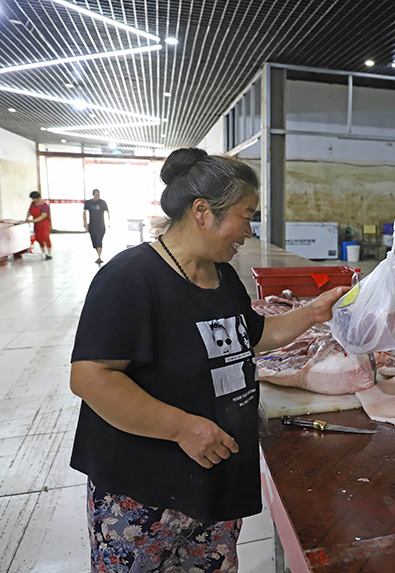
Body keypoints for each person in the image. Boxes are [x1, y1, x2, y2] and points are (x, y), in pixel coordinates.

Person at [69, 148, 347, 572]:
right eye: (246, 215)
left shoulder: (223, 277)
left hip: (214, 484)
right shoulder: (131, 277)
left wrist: (312, 313)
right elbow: (91, 377)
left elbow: (252, 338)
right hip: (145, 492)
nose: (249, 231)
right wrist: (181, 427)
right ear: (203, 211)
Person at [83, 188, 110, 264]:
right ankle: (98, 254)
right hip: (92, 225)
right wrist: (85, 223)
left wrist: (109, 222)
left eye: (98, 195)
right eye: (95, 195)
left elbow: (108, 211)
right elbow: (84, 212)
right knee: (94, 241)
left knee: (99, 240)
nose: (97, 196)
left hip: (101, 225)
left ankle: (99, 257)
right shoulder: (88, 203)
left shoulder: (103, 203)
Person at [25, 191, 52, 260]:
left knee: (45, 237)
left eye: (34, 199)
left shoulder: (44, 205)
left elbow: (43, 216)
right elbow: (30, 211)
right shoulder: (33, 204)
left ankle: (49, 253)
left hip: (44, 224)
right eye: (32, 199)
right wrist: (27, 217)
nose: (33, 200)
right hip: (37, 224)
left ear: (39, 198)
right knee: (39, 238)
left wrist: (33, 221)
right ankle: (43, 252)